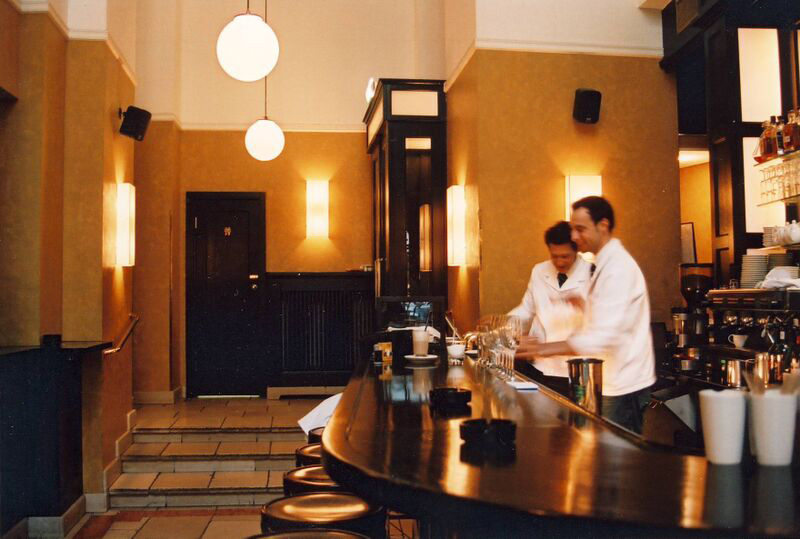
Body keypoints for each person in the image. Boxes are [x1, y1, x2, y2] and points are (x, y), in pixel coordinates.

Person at [516, 197, 655, 433]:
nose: (574, 236)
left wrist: (544, 349)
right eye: (573, 229)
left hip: (623, 383)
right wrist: (585, 306)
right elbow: (613, 315)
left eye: (580, 229)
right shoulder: (605, 263)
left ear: (603, 225)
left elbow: (604, 336)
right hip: (609, 378)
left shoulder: (618, 268)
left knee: (615, 452)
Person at [508, 221, 591, 395]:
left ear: (576, 250)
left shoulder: (592, 274)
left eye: (565, 256)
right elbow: (526, 309)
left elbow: (601, 325)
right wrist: (503, 325)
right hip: (537, 365)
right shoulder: (539, 271)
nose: (559, 262)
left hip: (572, 369)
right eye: (555, 256)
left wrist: (584, 307)